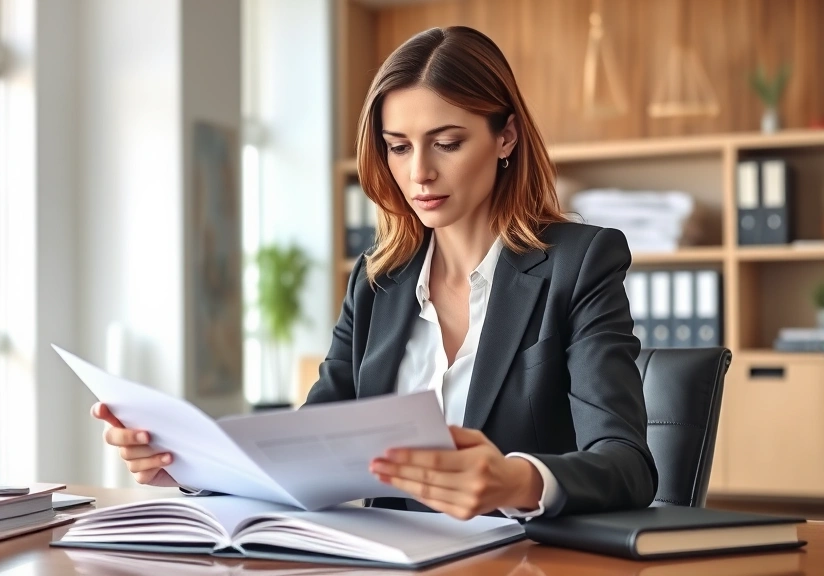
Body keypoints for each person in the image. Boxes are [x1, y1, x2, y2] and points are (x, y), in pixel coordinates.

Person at [92, 25, 657, 520]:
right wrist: (187, 466)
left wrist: (519, 481)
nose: (420, 173)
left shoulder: (579, 265)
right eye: (398, 147)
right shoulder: (377, 281)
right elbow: (302, 451)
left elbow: (626, 463)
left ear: (505, 135)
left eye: (447, 143)